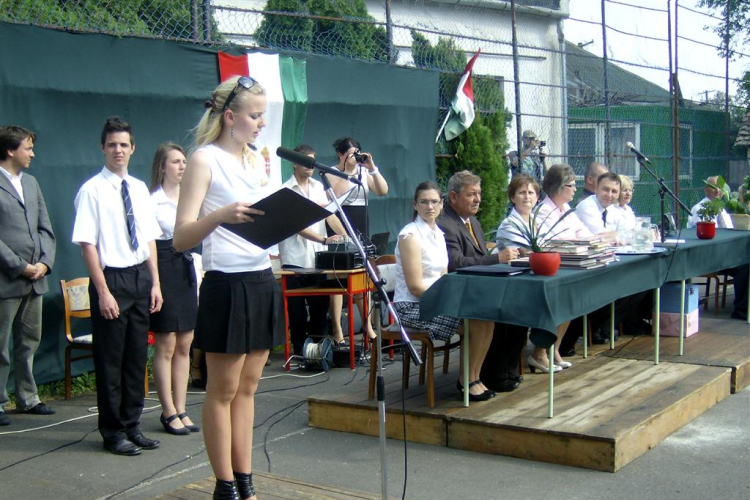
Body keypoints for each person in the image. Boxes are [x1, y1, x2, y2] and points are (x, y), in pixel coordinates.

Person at [174, 75, 283, 500]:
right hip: (225, 283)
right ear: (230, 116)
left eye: (263, 116)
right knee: (222, 391)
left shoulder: (255, 160)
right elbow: (181, 237)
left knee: (250, 388)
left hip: (260, 278)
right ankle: (224, 486)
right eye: (255, 116)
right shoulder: (203, 159)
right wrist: (220, 215)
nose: (260, 124)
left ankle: (246, 480)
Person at [72, 117, 163, 456]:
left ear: (133, 148)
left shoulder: (139, 188)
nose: (118, 150)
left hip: (140, 277)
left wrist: (155, 283)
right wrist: (104, 291)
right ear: (103, 148)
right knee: (111, 359)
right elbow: (88, 245)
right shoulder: (91, 191)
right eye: (112, 144)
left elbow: (150, 239)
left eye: (124, 144)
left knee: (137, 358)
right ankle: (112, 432)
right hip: (112, 279)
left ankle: (132, 424)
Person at [395, 181, 495, 401]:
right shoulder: (410, 236)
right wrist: (448, 301)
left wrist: (453, 298)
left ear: (441, 204)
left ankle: (474, 377)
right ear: (415, 205)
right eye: (424, 202)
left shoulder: (438, 233)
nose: (429, 207)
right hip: (413, 305)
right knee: (475, 320)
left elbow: (443, 276)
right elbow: (415, 286)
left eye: (434, 202)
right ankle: (466, 381)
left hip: (437, 299)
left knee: (486, 316)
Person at [436, 171, 523, 393]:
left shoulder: (472, 222)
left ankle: (503, 372)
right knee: (497, 315)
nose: (478, 199)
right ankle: (491, 375)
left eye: (479, 194)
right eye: (471, 194)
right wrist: (497, 258)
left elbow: (480, 256)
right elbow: (456, 263)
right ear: (454, 197)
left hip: (481, 289)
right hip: (460, 293)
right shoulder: (445, 223)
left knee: (519, 309)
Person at [0, 125, 56, 426]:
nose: (32, 153)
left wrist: (45, 263)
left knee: (29, 340)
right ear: (11, 150)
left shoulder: (32, 183)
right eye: (27, 148)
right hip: (6, 280)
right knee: (1, 343)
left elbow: (45, 228)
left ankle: (27, 398)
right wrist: (19, 265)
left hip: (36, 279)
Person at [148, 142, 199, 436]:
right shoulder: (152, 201)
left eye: (184, 162)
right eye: (176, 162)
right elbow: (152, 245)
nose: (182, 166)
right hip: (165, 265)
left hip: (186, 267)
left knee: (185, 343)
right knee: (166, 344)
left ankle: (181, 407)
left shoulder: (190, 198)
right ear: (162, 166)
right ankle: (167, 411)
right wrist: (155, 282)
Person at [278, 144, 346, 353]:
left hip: (317, 258)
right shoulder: (286, 191)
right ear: (295, 163)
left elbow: (330, 215)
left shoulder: (318, 187)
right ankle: (299, 350)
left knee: (319, 305)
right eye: (306, 161)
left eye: (313, 162)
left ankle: (318, 349)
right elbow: (296, 225)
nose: (310, 166)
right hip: (294, 259)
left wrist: (346, 237)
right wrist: (324, 240)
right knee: (297, 310)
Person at [327, 137, 388, 343]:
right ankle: (337, 330)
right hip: (341, 223)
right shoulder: (330, 171)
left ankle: (368, 327)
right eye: (350, 153)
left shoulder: (363, 172)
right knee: (337, 278)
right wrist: (346, 170)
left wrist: (372, 168)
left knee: (363, 277)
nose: (354, 157)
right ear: (340, 154)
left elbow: (382, 190)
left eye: (357, 152)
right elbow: (334, 197)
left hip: (362, 225)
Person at [575, 172, 622, 241]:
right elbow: (601, 237)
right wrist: (619, 236)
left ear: (618, 194)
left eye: (614, 191)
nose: (609, 195)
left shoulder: (611, 208)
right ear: (596, 188)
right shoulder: (587, 206)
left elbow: (627, 231)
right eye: (605, 189)